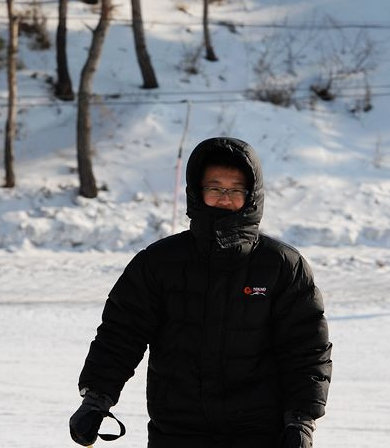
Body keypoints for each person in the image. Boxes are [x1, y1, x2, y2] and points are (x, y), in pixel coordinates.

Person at [70, 137, 332, 448]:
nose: (225, 197)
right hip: (178, 431)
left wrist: (301, 419)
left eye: (236, 189)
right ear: (197, 191)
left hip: (259, 432)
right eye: (215, 187)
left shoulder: (282, 266)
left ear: (252, 196)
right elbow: (121, 333)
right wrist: (96, 399)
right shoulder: (159, 263)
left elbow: (306, 349)